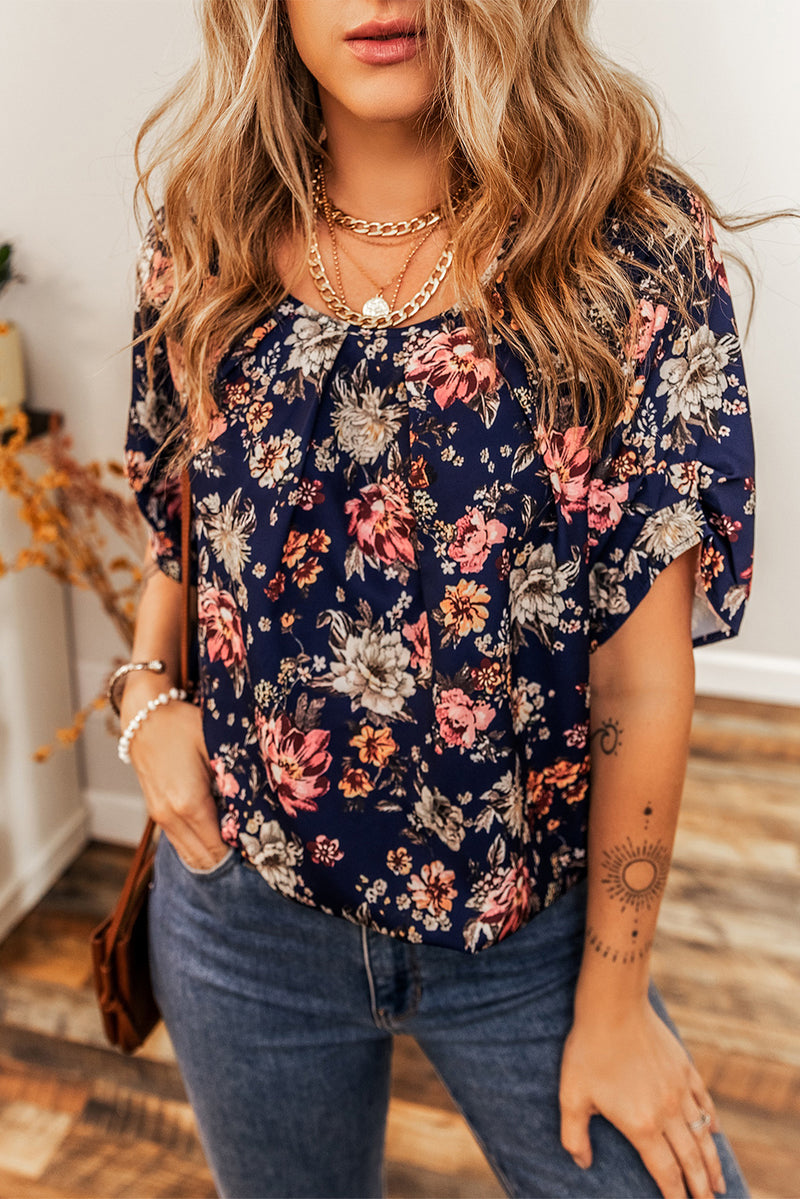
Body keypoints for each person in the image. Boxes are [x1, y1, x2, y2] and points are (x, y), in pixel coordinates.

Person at [117, 2, 756, 1196]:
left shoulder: (622, 248)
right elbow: (183, 521)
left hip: (533, 937)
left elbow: (638, 672)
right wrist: (147, 699)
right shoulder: (204, 233)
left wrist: (613, 1005)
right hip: (242, 916)